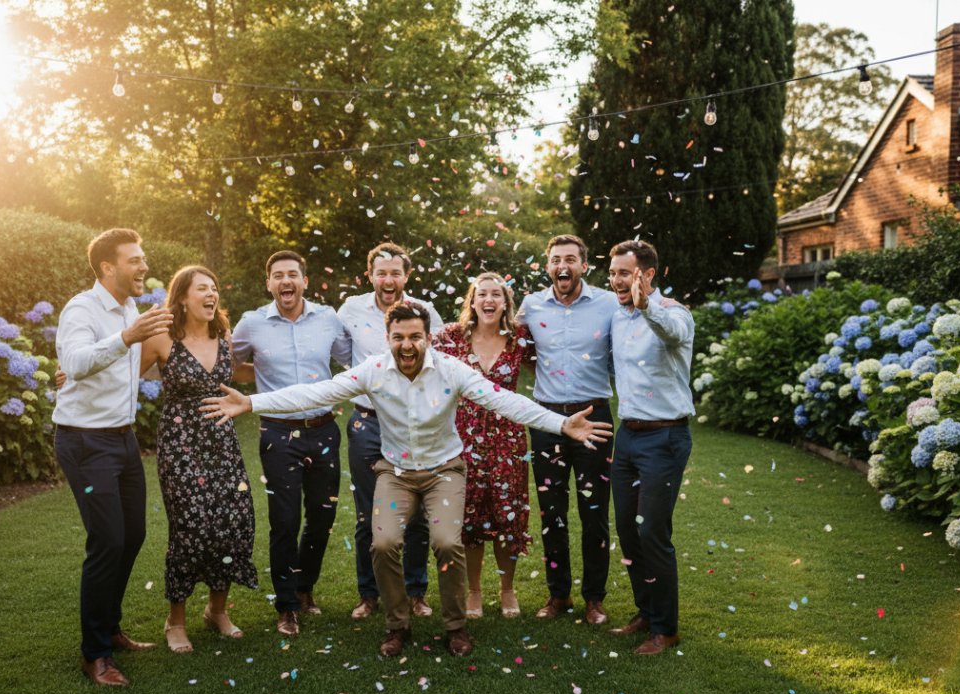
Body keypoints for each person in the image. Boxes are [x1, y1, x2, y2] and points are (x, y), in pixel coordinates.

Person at [201, 301, 613, 658]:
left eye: (415, 336)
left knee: (447, 542)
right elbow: (318, 393)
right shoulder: (373, 371)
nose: (407, 345)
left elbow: (503, 400)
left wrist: (562, 424)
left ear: (428, 338)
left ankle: (456, 627)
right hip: (396, 474)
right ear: (388, 339)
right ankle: (397, 625)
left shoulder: (451, 370)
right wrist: (251, 402)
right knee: (383, 543)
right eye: (399, 337)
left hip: (444, 472)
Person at [53, 228, 171, 688]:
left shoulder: (129, 309)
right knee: (106, 540)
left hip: (122, 439)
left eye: (143, 258)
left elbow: (119, 368)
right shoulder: (81, 309)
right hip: (85, 442)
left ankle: (110, 626)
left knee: (132, 534)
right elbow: (75, 362)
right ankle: (95, 654)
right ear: (108, 266)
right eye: (134, 260)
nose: (144, 266)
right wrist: (125, 337)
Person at [231, 250, 351, 637]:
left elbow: (352, 360)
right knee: (284, 520)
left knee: (322, 516)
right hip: (278, 434)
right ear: (269, 283)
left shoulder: (328, 318)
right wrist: (259, 374)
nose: (286, 281)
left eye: (293, 274)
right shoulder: (252, 324)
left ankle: (304, 588)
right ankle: (286, 605)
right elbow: (226, 363)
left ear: (304, 281)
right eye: (278, 275)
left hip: (323, 430)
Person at [140, 265, 258, 653]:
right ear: (182, 298)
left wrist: (288, 371)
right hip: (180, 443)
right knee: (190, 526)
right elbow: (123, 376)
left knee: (232, 520)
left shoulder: (223, 334)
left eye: (214, 288)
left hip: (222, 440)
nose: (211, 294)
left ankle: (216, 610)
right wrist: (73, 377)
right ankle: (175, 621)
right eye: (202, 288)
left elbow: (238, 373)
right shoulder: (161, 337)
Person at [336, 242, 443, 621]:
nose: (388, 279)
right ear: (370, 275)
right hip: (367, 423)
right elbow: (341, 355)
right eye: (381, 272)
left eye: (395, 272)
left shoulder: (424, 311)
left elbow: (439, 358)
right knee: (369, 514)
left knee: (415, 513)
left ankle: (415, 592)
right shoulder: (350, 310)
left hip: (413, 425)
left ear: (406, 276)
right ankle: (369, 594)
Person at [516, 234, 618, 625]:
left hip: (594, 417)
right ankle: (558, 595)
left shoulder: (607, 303)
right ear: (548, 266)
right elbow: (521, 352)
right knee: (552, 511)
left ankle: (594, 599)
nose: (563, 266)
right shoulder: (531, 305)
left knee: (595, 512)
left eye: (571, 259)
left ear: (583, 265)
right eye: (556, 259)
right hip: (547, 420)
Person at [604, 239, 695, 656]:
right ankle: (645, 611)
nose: (616, 280)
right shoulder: (615, 316)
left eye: (624, 273)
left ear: (648, 274)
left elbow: (673, 333)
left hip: (665, 437)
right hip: (627, 436)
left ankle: (665, 628)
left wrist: (646, 307)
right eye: (612, 273)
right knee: (627, 528)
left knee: (652, 531)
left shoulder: (674, 313)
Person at [432, 272, 533, 619]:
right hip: (465, 437)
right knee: (470, 516)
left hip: (508, 438)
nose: (488, 300)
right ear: (472, 302)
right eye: (482, 294)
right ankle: (474, 591)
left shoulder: (520, 338)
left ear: (505, 303)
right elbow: (415, 353)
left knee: (507, 514)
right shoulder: (451, 337)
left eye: (496, 295)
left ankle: (507, 590)